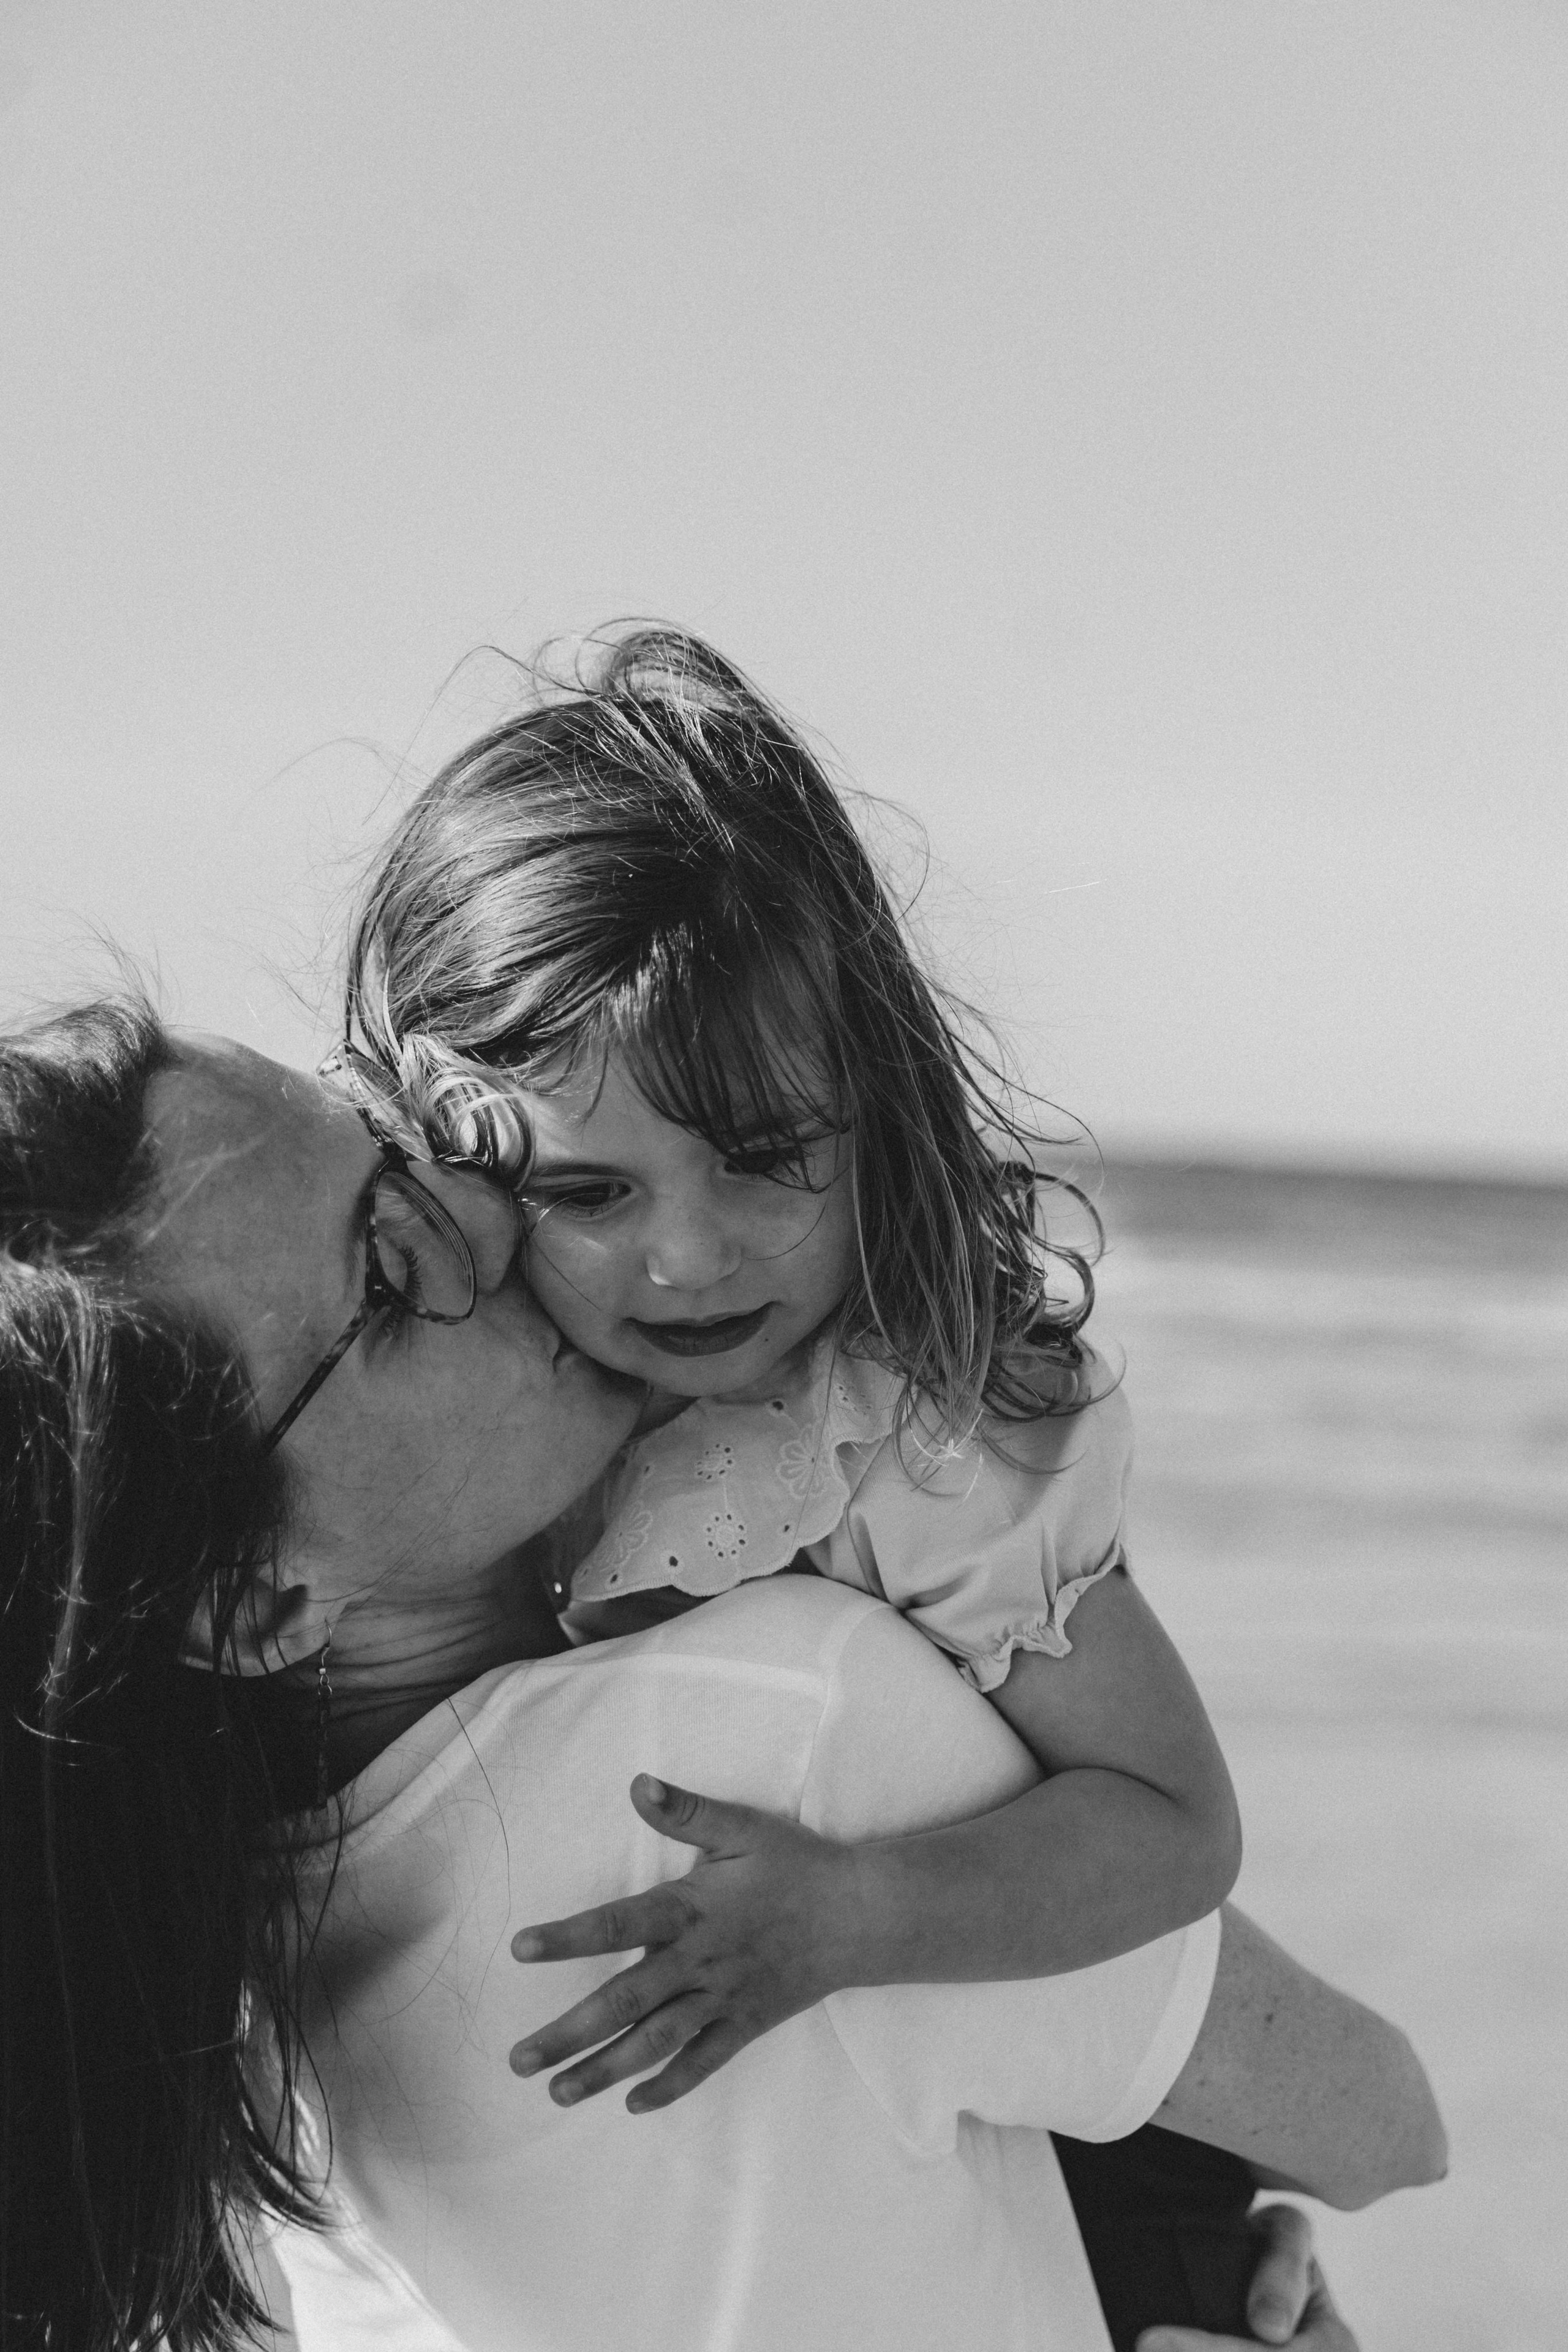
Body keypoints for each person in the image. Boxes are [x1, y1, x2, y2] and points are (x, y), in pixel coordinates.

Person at [0, 995, 1445, 2351]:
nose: (491, 1225)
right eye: (385, 1278)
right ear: (260, 1601)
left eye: (404, 1153)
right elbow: (1377, 2123)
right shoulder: (765, 1734)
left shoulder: (210, 2063)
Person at [340, 627, 1243, 2136]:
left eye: (763, 1161)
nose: (689, 1262)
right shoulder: (455, 1393)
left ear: (878, 1115)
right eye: (587, 1193)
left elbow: (1171, 1828)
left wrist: (849, 1920)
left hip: (1064, 2109)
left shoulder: (912, 1448)